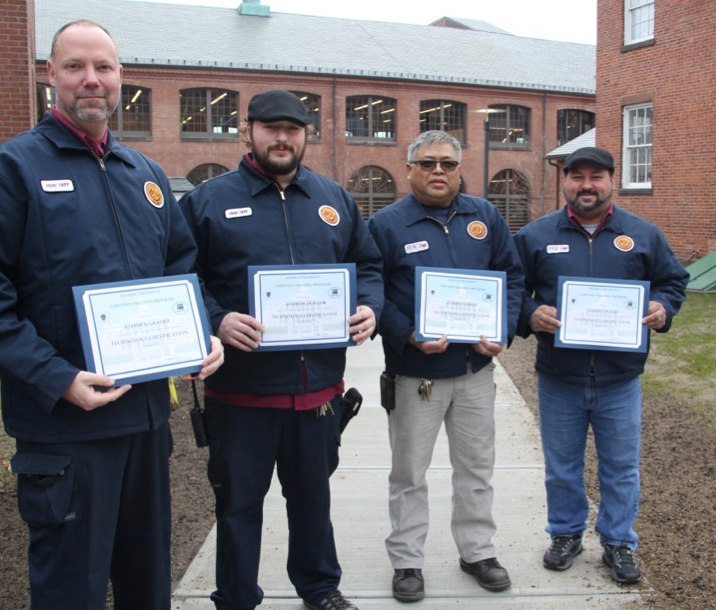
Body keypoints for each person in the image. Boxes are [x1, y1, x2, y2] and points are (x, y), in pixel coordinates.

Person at [0, 20, 223, 610]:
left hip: (145, 422)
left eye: (104, 67)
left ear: (122, 78)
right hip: (67, 431)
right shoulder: (9, 172)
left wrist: (199, 333)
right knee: (72, 586)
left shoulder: (143, 176)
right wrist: (55, 377)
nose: (91, 80)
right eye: (75, 67)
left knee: (148, 580)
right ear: (52, 76)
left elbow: (180, 266)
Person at [178, 89, 384, 610]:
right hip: (241, 395)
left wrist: (369, 308)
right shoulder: (209, 201)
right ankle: (236, 597)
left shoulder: (334, 200)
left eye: (293, 129)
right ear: (248, 130)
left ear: (305, 135)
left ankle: (319, 588)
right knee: (239, 505)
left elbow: (370, 267)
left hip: (317, 392)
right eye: (271, 127)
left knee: (312, 501)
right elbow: (178, 276)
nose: (282, 138)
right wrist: (216, 320)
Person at [513, 146, 689, 584]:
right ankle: (566, 533)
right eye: (577, 177)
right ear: (566, 182)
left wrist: (663, 308)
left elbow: (673, 281)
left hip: (619, 377)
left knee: (621, 466)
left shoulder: (642, 234)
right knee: (562, 466)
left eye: (596, 176)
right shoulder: (534, 237)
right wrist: (531, 313)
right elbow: (513, 288)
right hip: (559, 375)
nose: (586, 185)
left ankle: (618, 541)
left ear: (613, 180)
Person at [366, 131, 525, 602]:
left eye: (449, 164)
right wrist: (406, 333)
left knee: (476, 467)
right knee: (409, 473)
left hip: (474, 372)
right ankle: (407, 560)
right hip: (416, 375)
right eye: (429, 162)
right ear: (409, 166)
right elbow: (371, 288)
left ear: (460, 169)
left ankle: (478, 551)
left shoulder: (485, 217)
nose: (439, 171)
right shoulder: (386, 225)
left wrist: (503, 329)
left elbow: (511, 277)